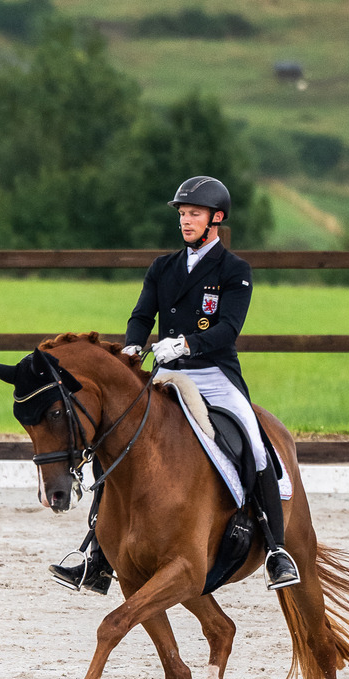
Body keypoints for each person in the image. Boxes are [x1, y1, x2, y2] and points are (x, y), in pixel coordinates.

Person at [49, 175, 299, 594]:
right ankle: (96, 555)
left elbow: (228, 329)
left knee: (256, 444)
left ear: (215, 218)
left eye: (194, 214)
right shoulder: (163, 267)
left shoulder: (235, 271)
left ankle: (275, 549)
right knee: (114, 439)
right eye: (182, 214)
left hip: (213, 374)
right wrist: (132, 347)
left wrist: (186, 343)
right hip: (166, 375)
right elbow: (142, 314)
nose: (185, 221)